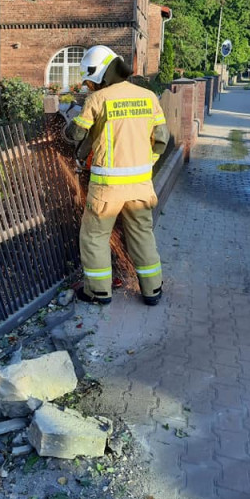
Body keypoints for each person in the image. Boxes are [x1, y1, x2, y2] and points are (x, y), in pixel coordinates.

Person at [65, 45, 170, 306]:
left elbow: (77, 135)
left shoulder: (97, 100)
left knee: (94, 237)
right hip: (141, 186)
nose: (89, 85)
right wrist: (145, 165)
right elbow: (162, 139)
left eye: (90, 79)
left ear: (99, 73)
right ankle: (153, 290)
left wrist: (70, 126)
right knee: (143, 235)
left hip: (107, 188)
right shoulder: (148, 97)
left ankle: (98, 293)